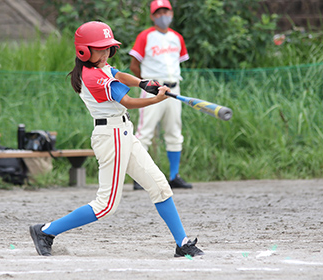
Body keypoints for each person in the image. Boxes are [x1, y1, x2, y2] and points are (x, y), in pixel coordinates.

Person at [29, 21, 203, 258]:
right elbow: (128, 102)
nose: (105, 52)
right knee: (106, 205)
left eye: (108, 48)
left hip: (123, 133)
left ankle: (182, 243)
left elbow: (118, 74)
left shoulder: (101, 69)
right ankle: (46, 231)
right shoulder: (91, 77)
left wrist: (143, 83)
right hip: (110, 137)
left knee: (159, 186)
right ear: (84, 51)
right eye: (99, 48)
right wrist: (156, 100)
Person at [129, 0, 192, 190]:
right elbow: (134, 64)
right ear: (152, 16)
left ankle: (174, 176)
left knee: (174, 132)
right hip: (153, 89)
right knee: (144, 132)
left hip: (173, 89)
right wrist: (147, 84)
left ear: (171, 13)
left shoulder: (177, 37)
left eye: (166, 11)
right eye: (158, 12)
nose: (163, 16)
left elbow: (178, 61)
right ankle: (139, 178)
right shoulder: (145, 36)